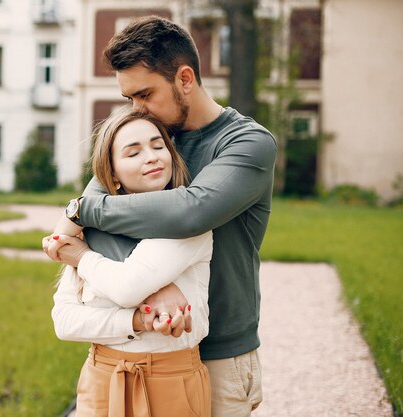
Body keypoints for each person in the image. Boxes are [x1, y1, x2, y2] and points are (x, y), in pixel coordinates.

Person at [45, 16, 277, 417]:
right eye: (129, 99)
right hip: (141, 343)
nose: (137, 109)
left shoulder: (248, 144)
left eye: (145, 94)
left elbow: (190, 212)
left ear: (185, 78)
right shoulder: (151, 138)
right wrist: (153, 290)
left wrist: (80, 208)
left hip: (219, 349)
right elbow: (84, 228)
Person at [49, 107, 213, 416]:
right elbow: (65, 321)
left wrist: (82, 256)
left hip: (171, 380)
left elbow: (127, 287)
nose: (151, 157)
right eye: (133, 152)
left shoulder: (189, 222)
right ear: (111, 173)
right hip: (101, 376)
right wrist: (135, 322)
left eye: (157, 145)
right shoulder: (92, 229)